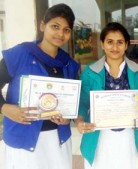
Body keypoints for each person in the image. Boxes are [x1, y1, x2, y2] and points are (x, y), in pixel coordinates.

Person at [0, 3, 79, 169]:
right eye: (55, 26)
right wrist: (5, 108)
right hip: (23, 137)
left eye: (66, 30)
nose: (60, 33)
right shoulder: (19, 54)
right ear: (43, 26)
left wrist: (68, 117)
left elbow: (70, 102)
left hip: (58, 140)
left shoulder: (69, 64)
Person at [76, 22, 138, 169]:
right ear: (102, 44)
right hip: (98, 136)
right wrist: (79, 120)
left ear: (126, 45)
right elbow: (83, 102)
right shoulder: (89, 72)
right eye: (110, 42)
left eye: (120, 42)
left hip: (129, 137)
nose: (115, 47)